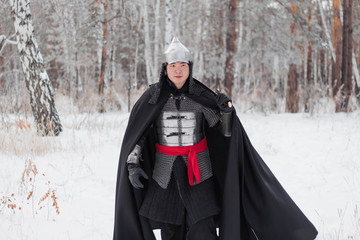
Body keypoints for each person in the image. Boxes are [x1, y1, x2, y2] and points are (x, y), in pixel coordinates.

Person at [113, 37, 318, 240]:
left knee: (203, 226)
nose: (178, 70)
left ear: (189, 67)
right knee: (171, 227)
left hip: (199, 172)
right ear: (165, 68)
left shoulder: (201, 96)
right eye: (173, 65)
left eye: (182, 65)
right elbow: (140, 135)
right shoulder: (152, 98)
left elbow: (225, 134)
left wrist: (227, 113)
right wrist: (132, 164)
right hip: (165, 173)